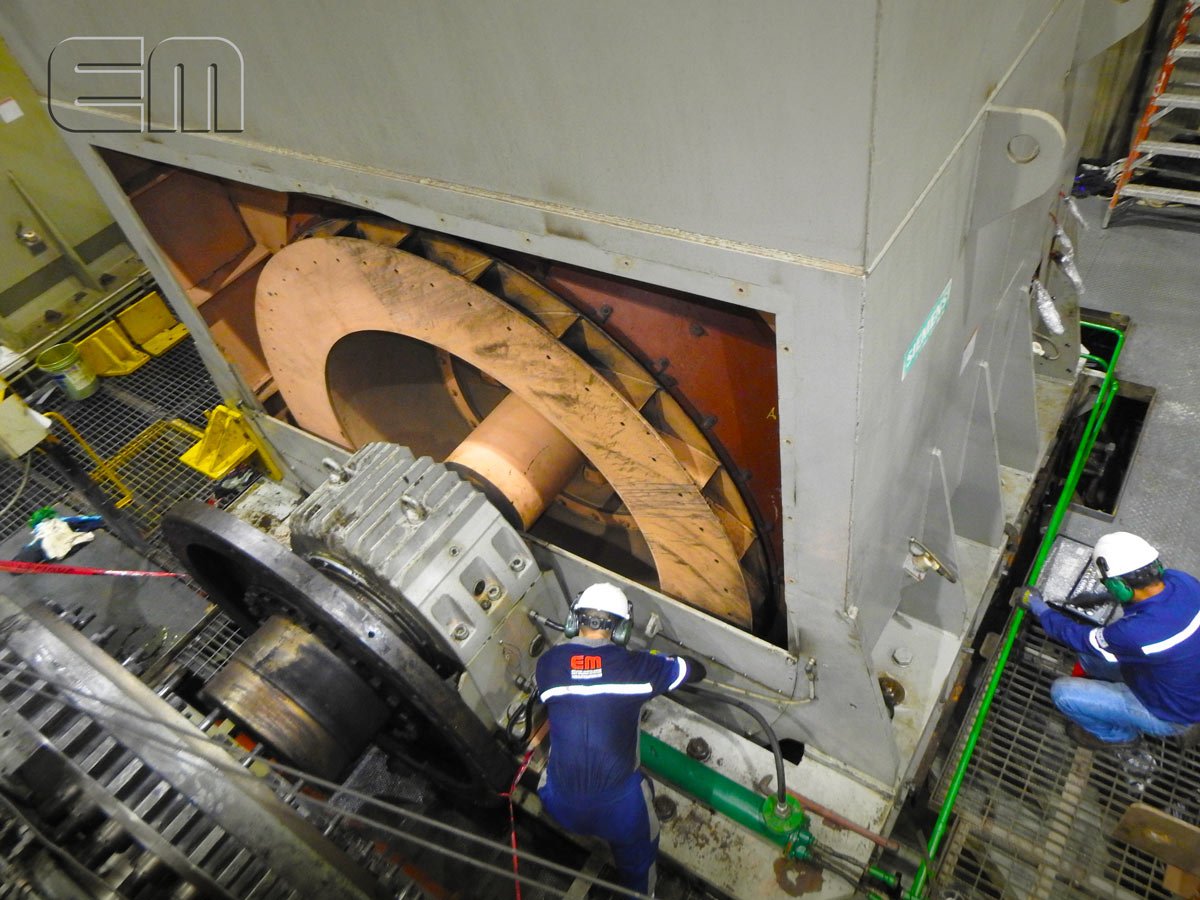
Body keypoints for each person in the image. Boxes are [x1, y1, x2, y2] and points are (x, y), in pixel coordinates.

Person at [536, 583, 706, 898]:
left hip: (559, 804)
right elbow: (695, 670)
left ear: (576, 621)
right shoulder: (640, 668)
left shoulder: (547, 665)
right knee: (641, 849)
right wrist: (661, 661)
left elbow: (582, 680)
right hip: (619, 814)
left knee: (552, 769)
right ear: (621, 630)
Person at [1020, 531, 1200, 748]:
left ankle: (1122, 739)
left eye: (1108, 585)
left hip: (1172, 713)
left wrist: (1040, 609)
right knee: (1088, 660)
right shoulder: (1183, 582)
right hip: (1174, 676)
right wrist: (1107, 596)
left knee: (1063, 694)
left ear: (1120, 586)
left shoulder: (1134, 633)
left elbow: (1079, 637)